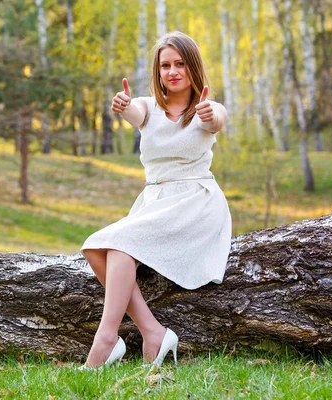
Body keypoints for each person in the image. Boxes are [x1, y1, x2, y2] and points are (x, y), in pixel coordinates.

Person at [80, 31, 232, 369]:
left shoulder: (209, 108)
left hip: (195, 202)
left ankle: (106, 340)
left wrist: (208, 114)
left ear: (193, 68)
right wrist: (123, 105)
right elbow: (134, 111)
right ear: (157, 71)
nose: (173, 71)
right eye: (165, 65)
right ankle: (152, 331)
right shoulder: (149, 108)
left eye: (180, 64)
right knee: (95, 248)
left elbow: (216, 120)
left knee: (119, 247)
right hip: (156, 199)